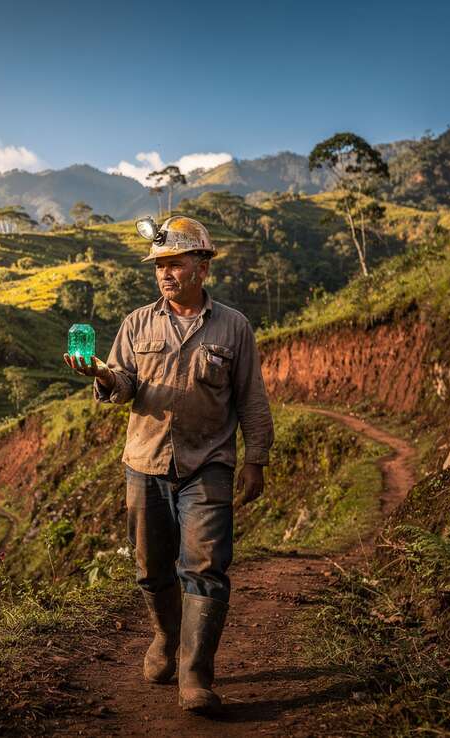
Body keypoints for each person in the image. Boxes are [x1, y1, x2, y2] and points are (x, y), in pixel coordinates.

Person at [63, 215, 274, 715]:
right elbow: (124, 387)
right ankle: (166, 636)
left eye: (174, 264)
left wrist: (256, 460)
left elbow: (252, 398)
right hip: (146, 461)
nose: (165, 274)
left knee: (205, 567)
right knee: (151, 568)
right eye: (159, 266)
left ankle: (195, 673)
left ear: (202, 266)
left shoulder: (233, 326)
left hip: (209, 463)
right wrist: (100, 375)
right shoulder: (137, 323)